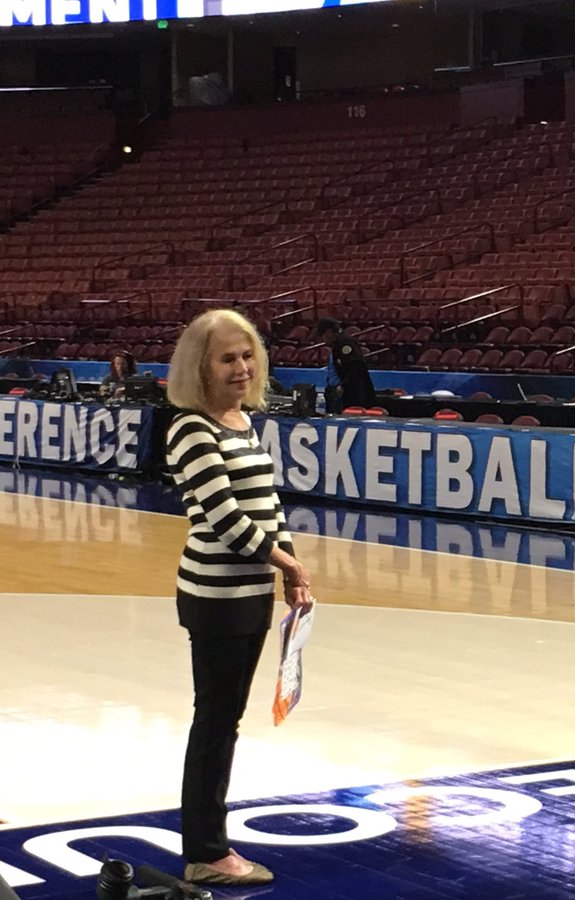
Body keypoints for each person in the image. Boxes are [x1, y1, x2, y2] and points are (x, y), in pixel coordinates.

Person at [164, 309, 315, 886]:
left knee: (225, 718)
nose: (242, 367)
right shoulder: (190, 429)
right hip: (216, 595)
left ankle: (209, 841)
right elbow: (225, 518)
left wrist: (288, 572)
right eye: (227, 357)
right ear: (199, 366)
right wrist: (287, 560)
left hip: (249, 593)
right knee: (216, 720)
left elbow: (266, 505)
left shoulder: (240, 422)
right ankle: (206, 850)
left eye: (247, 355)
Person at [315, 317, 376, 411]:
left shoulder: (346, 345)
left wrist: (343, 386)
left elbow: (357, 368)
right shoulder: (336, 347)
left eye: (323, 335)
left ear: (329, 332)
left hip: (353, 395)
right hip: (339, 393)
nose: (323, 339)